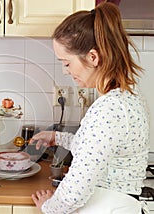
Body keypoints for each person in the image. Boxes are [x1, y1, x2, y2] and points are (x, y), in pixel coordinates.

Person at [30, 2, 150, 214]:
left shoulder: (109, 109)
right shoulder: (127, 96)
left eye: (67, 63)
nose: (66, 71)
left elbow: (75, 191)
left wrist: (48, 207)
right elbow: (96, 150)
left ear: (93, 57)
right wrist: (58, 138)